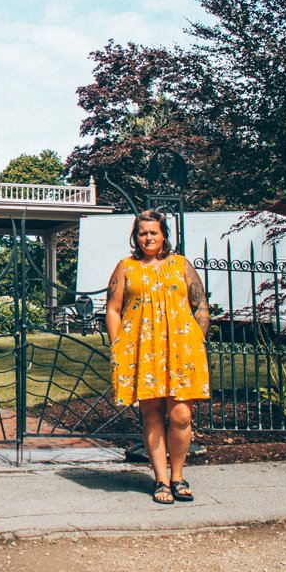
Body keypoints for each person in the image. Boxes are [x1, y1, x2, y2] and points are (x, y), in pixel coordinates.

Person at [104, 209, 210, 505]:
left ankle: (178, 475)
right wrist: (118, 346)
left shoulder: (181, 265)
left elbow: (199, 305)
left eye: (153, 232)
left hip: (181, 349)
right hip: (143, 350)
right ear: (135, 237)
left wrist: (197, 338)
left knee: (181, 415)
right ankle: (161, 480)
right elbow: (113, 309)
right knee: (151, 415)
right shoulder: (126, 267)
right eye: (142, 233)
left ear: (164, 235)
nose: (148, 237)